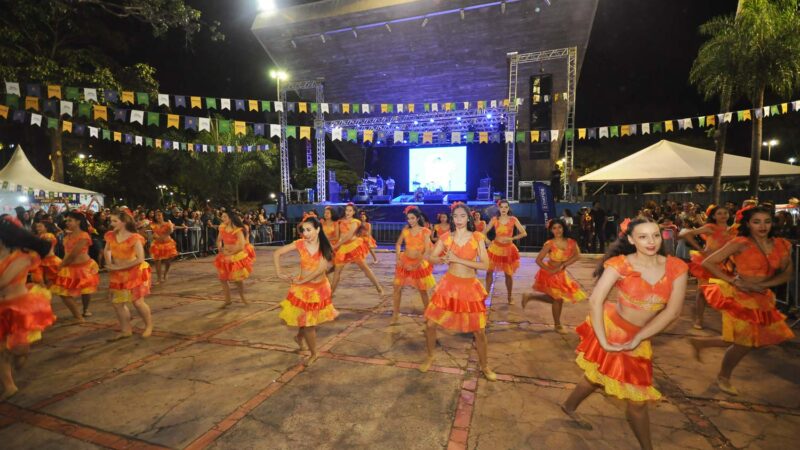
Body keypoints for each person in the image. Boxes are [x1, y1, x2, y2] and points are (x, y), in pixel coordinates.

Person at [561, 216, 688, 449]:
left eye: (655, 235)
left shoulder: (676, 267)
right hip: (612, 330)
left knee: (599, 378)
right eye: (643, 236)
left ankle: (569, 406)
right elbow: (596, 301)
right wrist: (604, 341)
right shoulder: (620, 264)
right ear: (631, 239)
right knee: (615, 387)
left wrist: (640, 337)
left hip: (641, 337)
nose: (651, 241)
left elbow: (673, 312)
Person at [690, 206, 794, 396]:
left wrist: (766, 284)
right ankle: (724, 376)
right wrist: (733, 280)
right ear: (748, 224)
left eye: (767, 221)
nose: (762, 226)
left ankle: (702, 344)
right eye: (756, 222)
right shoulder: (741, 242)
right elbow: (708, 262)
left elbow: (787, 273)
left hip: (763, 299)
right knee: (745, 342)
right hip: (742, 298)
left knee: (750, 339)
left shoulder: (782, 244)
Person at [419, 202, 496, 381]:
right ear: (452, 218)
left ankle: (485, 366)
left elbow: (485, 265)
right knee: (430, 324)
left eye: (462, 216)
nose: (459, 219)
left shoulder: (477, 237)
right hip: (448, 286)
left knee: (479, 331)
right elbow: (431, 257)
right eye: (456, 216)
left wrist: (458, 259)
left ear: (468, 217)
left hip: (469, 287)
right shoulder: (446, 237)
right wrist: (440, 260)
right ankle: (430, 356)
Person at [0, 219, 56, 399]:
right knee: (1, 349)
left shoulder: (21, 257)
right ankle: (9, 386)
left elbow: (3, 282)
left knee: (19, 351)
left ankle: (18, 359)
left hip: (18, 308)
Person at [273, 215, 338, 367]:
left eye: (309, 230)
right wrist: (279, 272)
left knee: (309, 321)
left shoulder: (324, 246)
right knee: (308, 322)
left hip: (318, 289)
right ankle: (312, 351)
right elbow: (277, 253)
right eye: (304, 230)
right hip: (302, 290)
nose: (306, 233)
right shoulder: (300, 244)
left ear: (318, 229)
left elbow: (320, 269)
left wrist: (301, 280)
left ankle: (304, 342)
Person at [522, 218, 587, 333]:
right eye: (554, 228)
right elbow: (538, 260)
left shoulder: (571, 242)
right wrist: (549, 270)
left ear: (564, 228)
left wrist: (563, 265)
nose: (557, 230)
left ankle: (530, 296)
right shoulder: (550, 244)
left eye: (560, 227)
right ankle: (557, 325)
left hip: (561, 273)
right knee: (558, 299)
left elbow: (577, 256)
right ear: (551, 230)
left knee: (557, 299)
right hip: (549, 273)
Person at [679, 205, 736, 329]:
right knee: (702, 292)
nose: (723, 215)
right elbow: (687, 234)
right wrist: (701, 249)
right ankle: (699, 319)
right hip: (707, 264)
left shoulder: (732, 230)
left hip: (725, 265)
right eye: (719, 213)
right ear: (714, 216)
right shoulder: (710, 227)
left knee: (726, 292)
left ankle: (728, 321)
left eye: (725, 212)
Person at [104, 211, 153, 340]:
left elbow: (140, 259)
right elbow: (107, 250)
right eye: (111, 221)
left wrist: (117, 267)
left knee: (137, 302)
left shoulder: (134, 237)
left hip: (134, 273)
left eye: (115, 221)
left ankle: (148, 326)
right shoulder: (110, 235)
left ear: (124, 222)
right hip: (118, 274)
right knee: (118, 303)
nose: (111, 223)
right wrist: (109, 264)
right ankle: (126, 330)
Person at [50, 211, 99, 321]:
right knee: (62, 292)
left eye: (70, 220)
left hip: (83, 267)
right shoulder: (68, 235)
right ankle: (78, 315)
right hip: (68, 266)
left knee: (86, 291)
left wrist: (61, 265)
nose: (67, 222)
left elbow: (73, 254)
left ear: (78, 222)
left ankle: (85, 310)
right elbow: (67, 253)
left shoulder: (84, 236)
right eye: (67, 220)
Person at [392, 206, 435, 323]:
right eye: (408, 218)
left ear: (417, 218)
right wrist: (398, 258)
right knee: (397, 288)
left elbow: (427, 250)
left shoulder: (425, 231)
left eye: (412, 218)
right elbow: (398, 244)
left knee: (422, 290)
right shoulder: (406, 231)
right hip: (404, 261)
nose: (410, 221)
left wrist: (416, 265)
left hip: (419, 263)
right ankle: (395, 314)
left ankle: (428, 314)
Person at [330, 203, 384, 296]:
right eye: (347, 210)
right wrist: (332, 243)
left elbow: (349, 235)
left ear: (354, 212)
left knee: (364, 268)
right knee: (337, 271)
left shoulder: (355, 221)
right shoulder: (340, 221)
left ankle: (378, 287)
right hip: (343, 248)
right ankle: (330, 294)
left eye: (350, 210)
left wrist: (336, 245)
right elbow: (338, 236)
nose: (348, 212)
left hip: (353, 246)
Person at [484, 200, 527, 304]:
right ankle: (486, 294)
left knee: (508, 274)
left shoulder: (513, 219)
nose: (503, 209)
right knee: (489, 271)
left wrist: (512, 238)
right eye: (502, 207)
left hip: (508, 250)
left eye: (506, 207)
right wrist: (487, 241)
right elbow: (483, 233)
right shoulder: (495, 219)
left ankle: (509, 296)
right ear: (499, 208)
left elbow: (524, 233)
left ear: (508, 208)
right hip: (495, 249)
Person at [213, 211, 253, 307]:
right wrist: (219, 248)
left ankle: (243, 297)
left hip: (235, 257)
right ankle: (227, 300)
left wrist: (230, 253)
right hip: (224, 256)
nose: (222, 218)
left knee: (237, 280)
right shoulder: (222, 228)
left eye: (225, 216)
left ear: (230, 218)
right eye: (222, 217)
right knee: (222, 279)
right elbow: (218, 240)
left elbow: (241, 246)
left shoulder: (238, 230)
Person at [149, 210, 179, 285]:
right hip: (157, 245)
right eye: (156, 215)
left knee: (168, 261)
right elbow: (144, 231)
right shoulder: (152, 224)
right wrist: (151, 236)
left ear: (162, 216)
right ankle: (159, 279)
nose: (157, 217)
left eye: (159, 215)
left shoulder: (168, 224)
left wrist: (171, 227)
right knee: (157, 261)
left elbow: (171, 230)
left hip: (168, 244)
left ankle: (165, 272)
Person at [32, 221, 62, 286]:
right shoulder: (40, 236)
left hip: (50, 262)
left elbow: (44, 248)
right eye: (37, 227)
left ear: (46, 228)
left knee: (51, 284)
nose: (37, 228)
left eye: (40, 226)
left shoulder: (48, 235)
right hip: (43, 261)